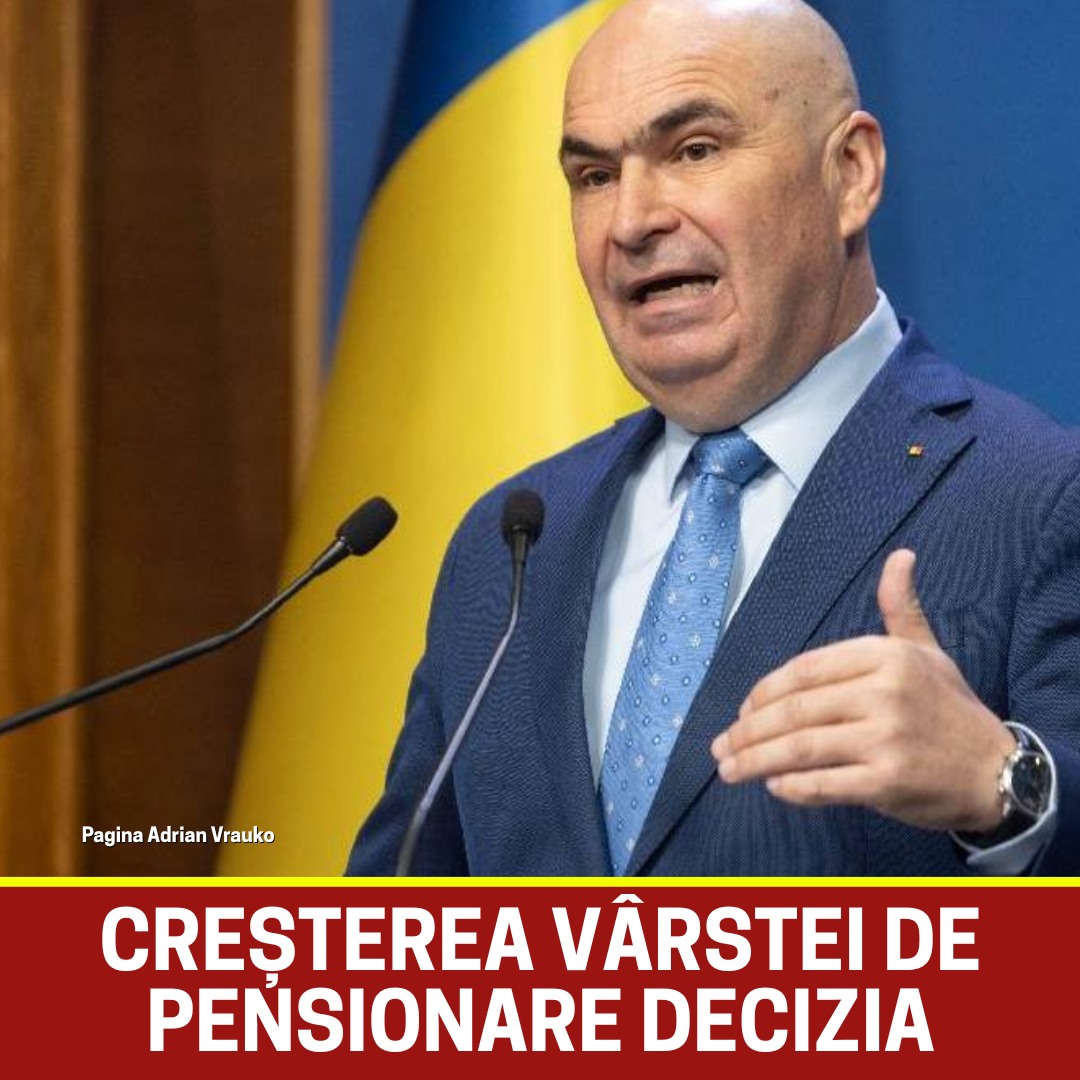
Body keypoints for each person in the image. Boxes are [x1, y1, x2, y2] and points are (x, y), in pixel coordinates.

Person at [346, 0, 1080, 876]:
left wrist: (1006, 788)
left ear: (850, 174)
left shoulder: (1040, 498)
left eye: (694, 150)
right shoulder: (508, 548)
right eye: (594, 176)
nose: (631, 220)